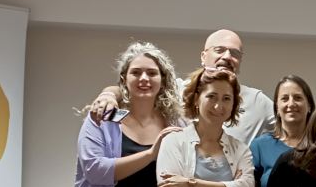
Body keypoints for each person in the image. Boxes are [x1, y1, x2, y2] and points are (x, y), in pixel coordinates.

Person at [66, 42, 183, 187]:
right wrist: (150, 154)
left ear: (163, 80)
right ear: (124, 79)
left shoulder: (175, 124)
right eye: (136, 72)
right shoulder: (105, 117)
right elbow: (96, 170)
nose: (144, 78)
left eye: (152, 73)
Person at [88, 29, 276, 144]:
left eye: (235, 53)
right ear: (203, 56)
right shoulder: (176, 90)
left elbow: (289, 123)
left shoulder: (257, 101)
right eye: (219, 50)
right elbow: (134, 89)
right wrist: (108, 96)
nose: (227, 57)